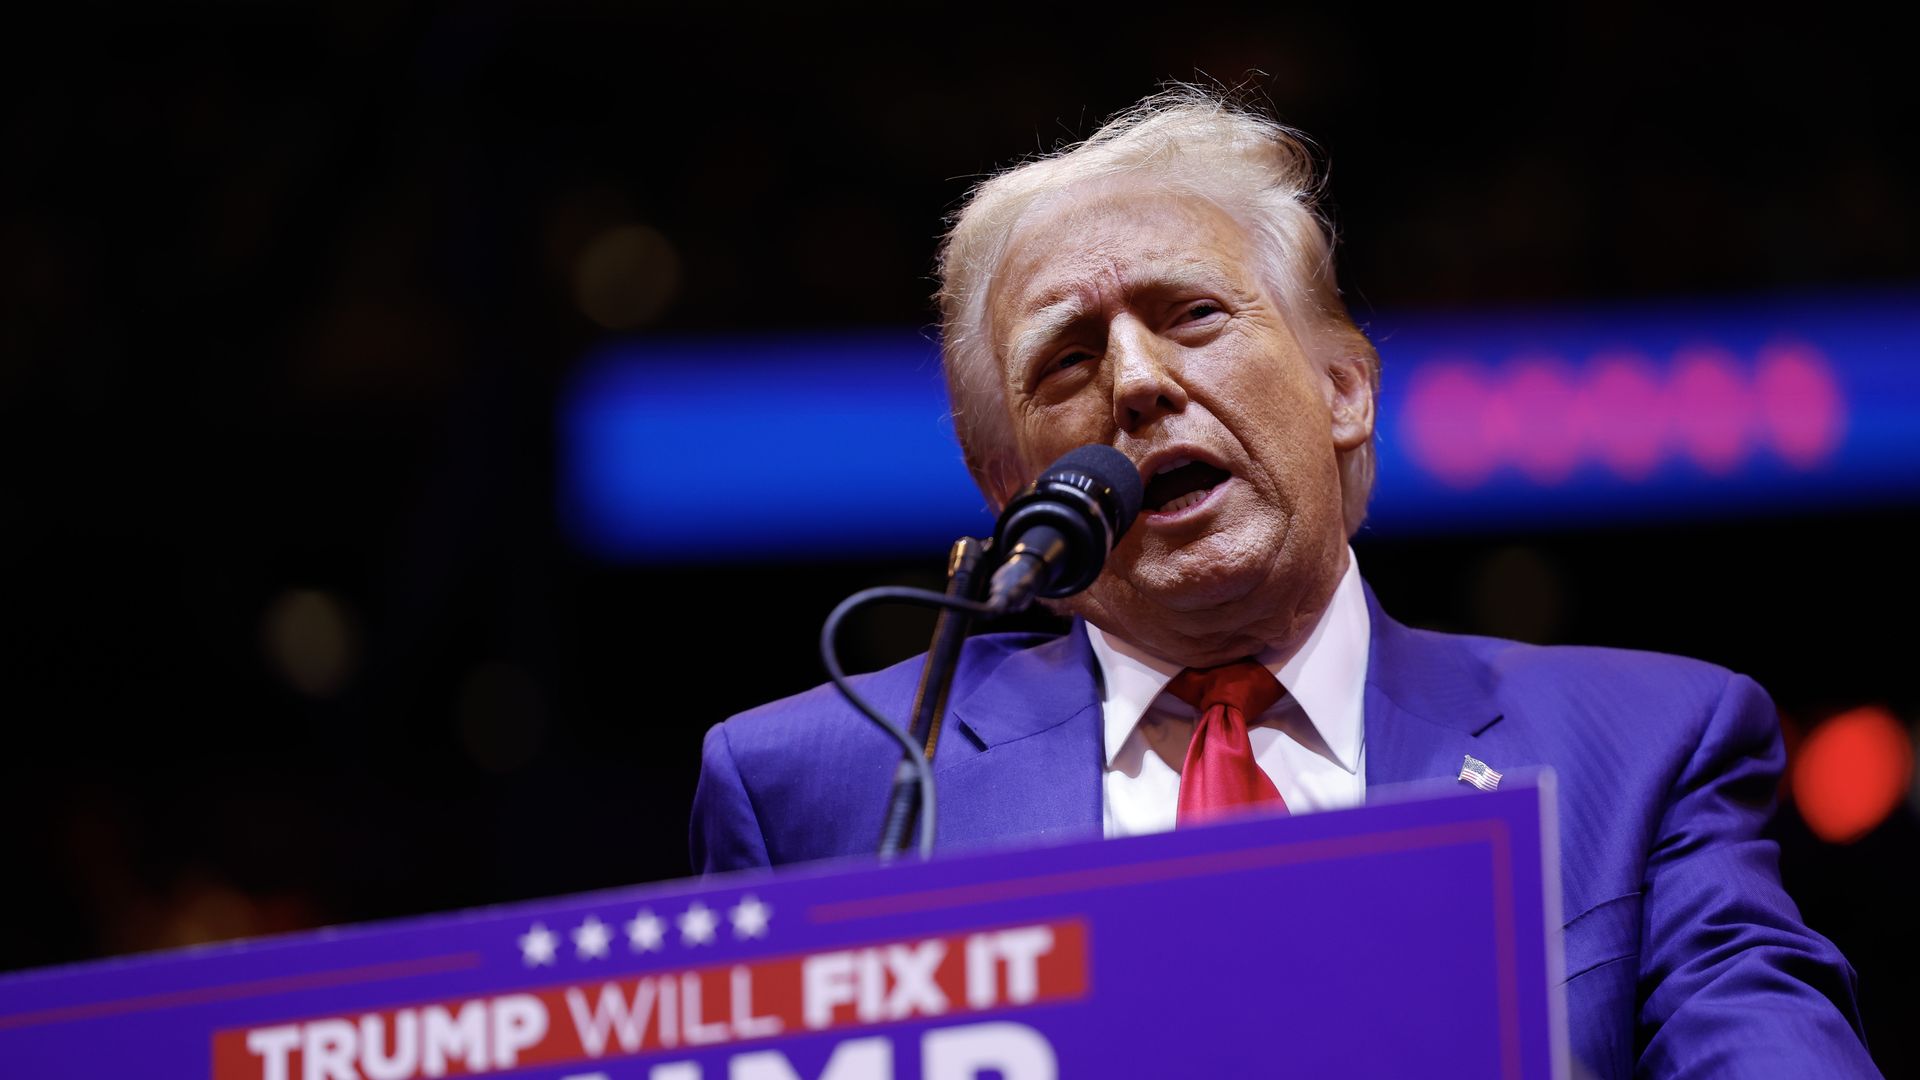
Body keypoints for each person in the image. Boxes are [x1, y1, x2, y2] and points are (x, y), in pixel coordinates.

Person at [688, 88, 1876, 1076]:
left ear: (1345, 391)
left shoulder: (1648, 745)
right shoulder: (823, 785)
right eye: (1067, 360)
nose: (1139, 383)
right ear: (1010, 493)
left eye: (1193, 314)